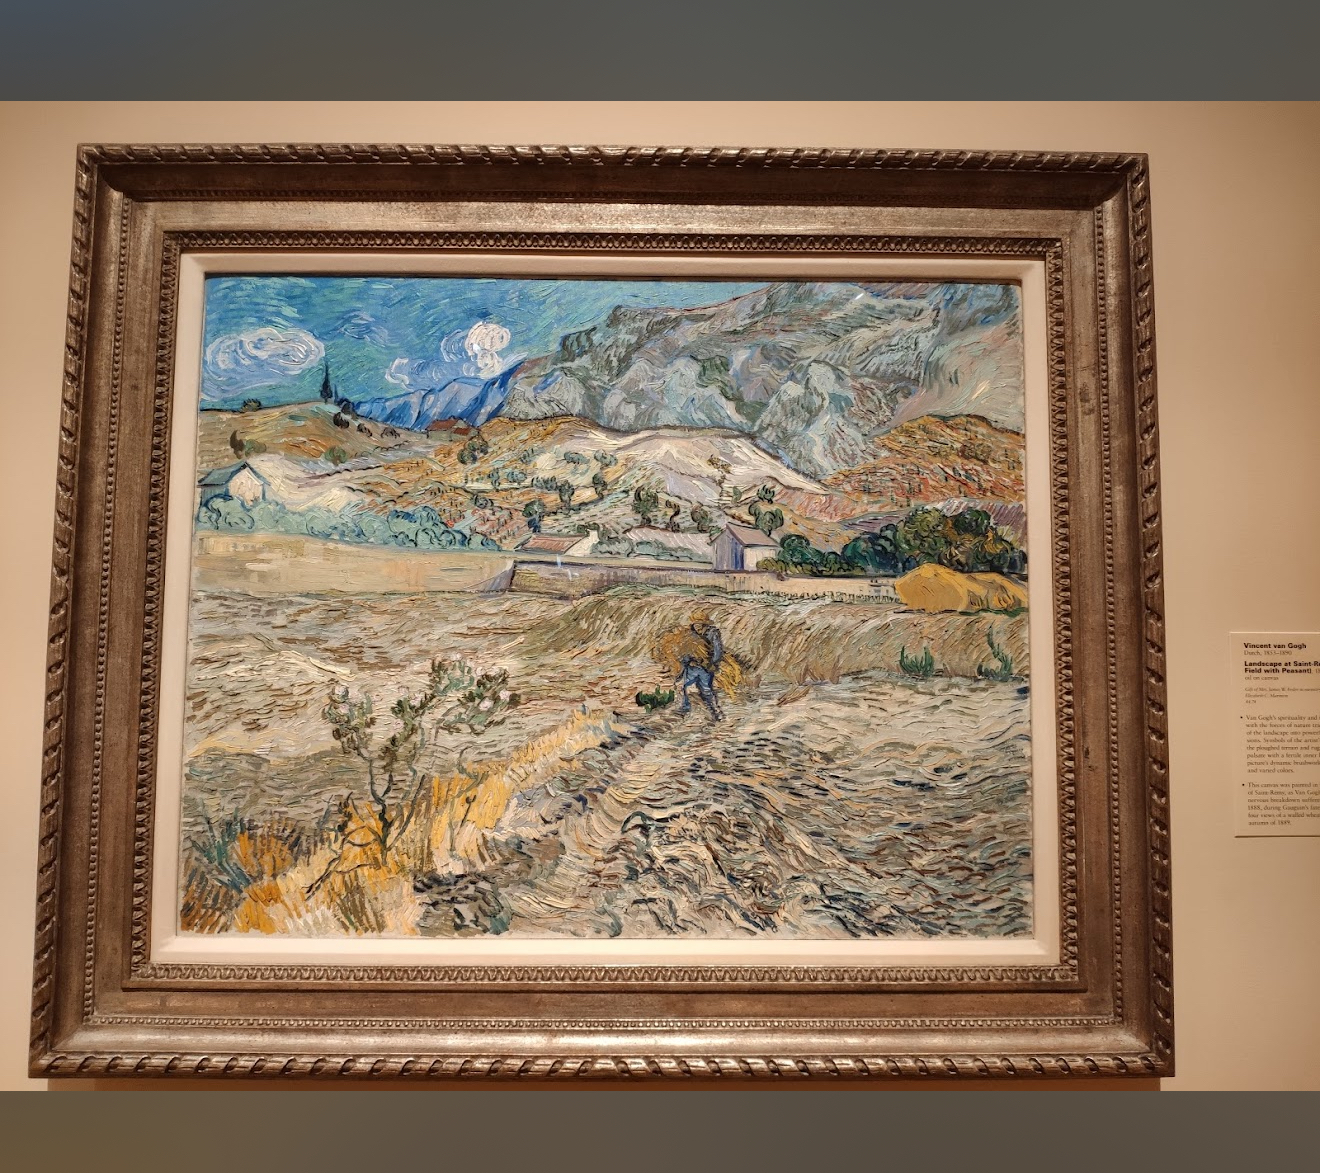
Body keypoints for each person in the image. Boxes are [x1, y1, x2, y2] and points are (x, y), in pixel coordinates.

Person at [675, 654, 723, 721]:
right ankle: (715, 711)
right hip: (706, 669)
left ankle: (686, 708)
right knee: (707, 691)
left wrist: (684, 666)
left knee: (685, 687)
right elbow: (717, 655)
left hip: (695, 669)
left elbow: (685, 656)